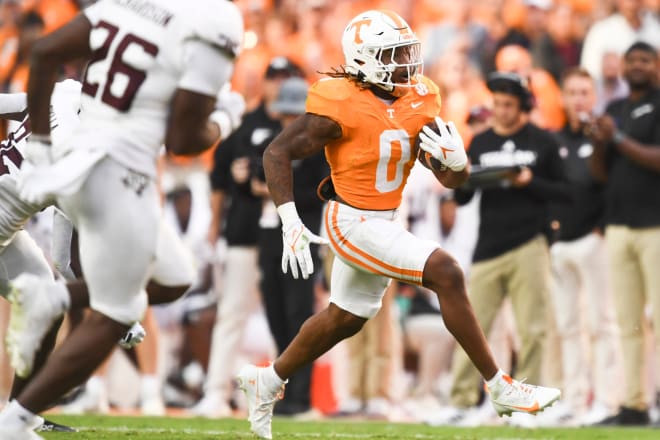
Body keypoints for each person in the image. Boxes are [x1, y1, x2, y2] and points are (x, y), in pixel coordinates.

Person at [236, 10, 561, 440]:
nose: (407, 61)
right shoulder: (339, 103)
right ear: (365, 60)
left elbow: (449, 179)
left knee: (344, 318)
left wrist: (458, 164)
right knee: (446, 271)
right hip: (350, 220)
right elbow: (276, 152)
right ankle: (499, 385)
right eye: (393, 54)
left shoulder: (419, 97)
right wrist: (289, 220)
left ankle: (269, 380)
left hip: (383, 219)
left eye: (406, 51)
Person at [0, 0, 243, 437]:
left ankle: (21, 414)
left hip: (11, 221)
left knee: (48, 298)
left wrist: (33, 141)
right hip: (27, 209)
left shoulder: (69, 91)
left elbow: (9, 100)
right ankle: (17, 418)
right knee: (73, 296)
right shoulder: (88, 135)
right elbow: (67, 242)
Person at [441, 71, 570, 427]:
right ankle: (462, 402)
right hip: (488, 246)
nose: (500, 111)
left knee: (532, 328)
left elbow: (565, 192)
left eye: (508, 104)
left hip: (530, 242)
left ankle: (525, 406)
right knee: (471, 327)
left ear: (523, 106)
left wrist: (530, 181)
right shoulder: (479, 143)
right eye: (497, 103)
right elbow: (463, 196)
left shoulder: (543, 141)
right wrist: (457, 174)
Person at [192, 57, 302, 418]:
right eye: (275, 78)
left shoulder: (303, 127)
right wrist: (214, 224)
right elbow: (220, 176)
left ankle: (280, 394)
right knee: (232, 313)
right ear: (266, 82)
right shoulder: (244, 125)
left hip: (286, 235)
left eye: (286, 78)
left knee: (283, 317)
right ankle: (216, 391)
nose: (278, 85)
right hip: (245, 231)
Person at [588, 41, 660, 426]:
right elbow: (599, 174)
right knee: (628, 323)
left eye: (645, 60)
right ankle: (634, 403)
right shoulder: (613, 110)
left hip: (655, 227)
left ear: (657, 66)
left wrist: (617, 138)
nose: (637, 65)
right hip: (618, 226)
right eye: (631, 59)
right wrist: (600, 141)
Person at [545, 67, 622, 426]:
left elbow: (614, 187)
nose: (578, 99)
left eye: (584, 93)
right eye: (572, 92)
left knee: (602, 324)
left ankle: (608, 400)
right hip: (561, 243)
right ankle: (574, 401)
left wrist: (602, 230)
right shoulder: (554, 140)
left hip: (594, 240)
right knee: (568, 326)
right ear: (562, 97)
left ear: (594, 97)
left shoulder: (604, 139)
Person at [250, 76, 329, 417]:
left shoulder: (316, 148)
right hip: (271, 233)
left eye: (293, 116)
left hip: (303, 233)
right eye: (284, 116)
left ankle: (302, 397)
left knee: (300, 313)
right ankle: (284, 389)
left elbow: (320, 192)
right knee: (275, 311)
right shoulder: (271, 143)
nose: (288, 123)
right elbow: (252, 183)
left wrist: (278, 192)